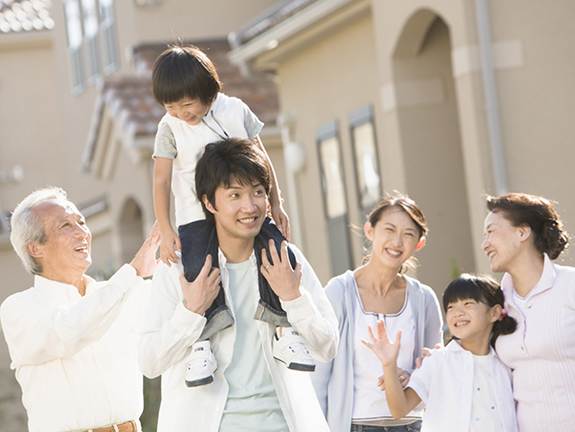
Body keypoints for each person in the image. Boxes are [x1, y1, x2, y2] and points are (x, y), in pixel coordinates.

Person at [138, 138, 338, 432]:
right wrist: (191, 311)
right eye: (235, 195)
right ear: (209, 202)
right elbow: (149, 362)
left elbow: (328, 346)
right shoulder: (179, 270)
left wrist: (293, 297)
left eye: (258, 192)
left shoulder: (286, 260)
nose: (250, 206)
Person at [151, 44, 310, 386]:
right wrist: (165, 228)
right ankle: (201, 345)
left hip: (245, 209)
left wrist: (276, 202)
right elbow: (161, 180)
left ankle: (283, 331)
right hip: (195, 214)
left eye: (187, 103)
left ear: (208, 89)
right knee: (198, 272)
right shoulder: (170, 127)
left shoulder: (235, 111)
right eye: (171, 106)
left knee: (276, 252)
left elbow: (262, 160)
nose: (181, 112)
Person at [0, 187, 160, 432]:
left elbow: (174, 311)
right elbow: (69, 331)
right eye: (66, 226)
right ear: (35, 248)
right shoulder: (19, 309)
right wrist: (133, 273)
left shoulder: (120, 293)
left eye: (82, 222)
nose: (83, 233)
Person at [311, 194, 443, 432]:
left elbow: (437, 368)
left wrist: (412, 375)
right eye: (389, 230)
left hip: (411, 425)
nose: (397, 241)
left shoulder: (424, 299)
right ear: (370, 231)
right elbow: (318, 374)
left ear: (419, 243)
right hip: (354, 426)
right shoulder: (339, 293)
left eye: (408, 234)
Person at [363, 273, 518, 431]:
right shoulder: (436, 360)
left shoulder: (506, 363)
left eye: (468, 303)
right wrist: (389, 364)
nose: (457, 312)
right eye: (451, 307)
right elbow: (399, 410)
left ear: (494, 312)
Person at [481, 193, 574, 431]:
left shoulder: (570, 286)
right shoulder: (496, 304)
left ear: (522, 232)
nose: (485, 244)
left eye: (491, 231)